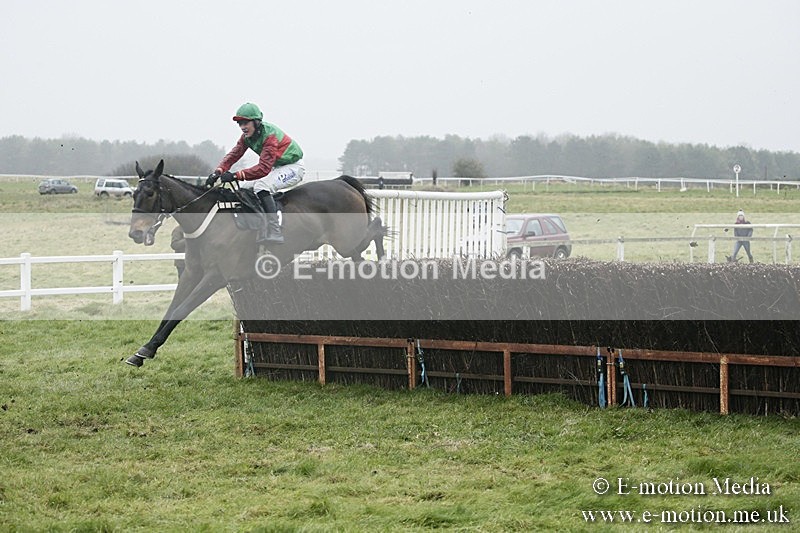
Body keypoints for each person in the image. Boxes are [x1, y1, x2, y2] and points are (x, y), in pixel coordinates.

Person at [206, 103, 305, 244]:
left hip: (293, 167)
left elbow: (263, 168)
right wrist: (219, 171)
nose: (242, 127)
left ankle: (275, 230)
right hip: (277, 167)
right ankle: (257, 224)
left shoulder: (270, 136)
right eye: (240, 123)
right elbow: (235, 154)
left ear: (256, 122)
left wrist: (235, 175)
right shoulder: (246, 137)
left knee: (262, 186)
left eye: (245, 122)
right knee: (244, 187)